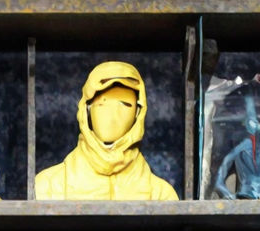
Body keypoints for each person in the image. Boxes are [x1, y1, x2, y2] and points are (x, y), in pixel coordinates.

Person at [35, 61, 177, 201]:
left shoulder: (161, 195)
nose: (112, 116)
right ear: (87, 109)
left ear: (138, 113)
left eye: (125, 105)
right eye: (102, 104)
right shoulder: (48, 186)